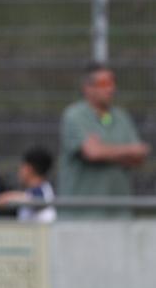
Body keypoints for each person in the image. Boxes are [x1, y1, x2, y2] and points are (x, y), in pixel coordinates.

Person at [57, 62, 149, 219]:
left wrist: (104, 150)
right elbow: (92, 153)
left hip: (119, 216)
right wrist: (127, 151)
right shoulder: (75, 115)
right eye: (104, 83)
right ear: (88, 88)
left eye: (113, 83)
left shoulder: (121, 117)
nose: (111, 88)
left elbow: (139, 157)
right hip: (81, 217)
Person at [0, 146, 56, 222]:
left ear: (29, 169)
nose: (19, 171)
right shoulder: (31, 192)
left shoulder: (43, 191)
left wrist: (10, 197)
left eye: (22, 167)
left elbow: (3, 200)